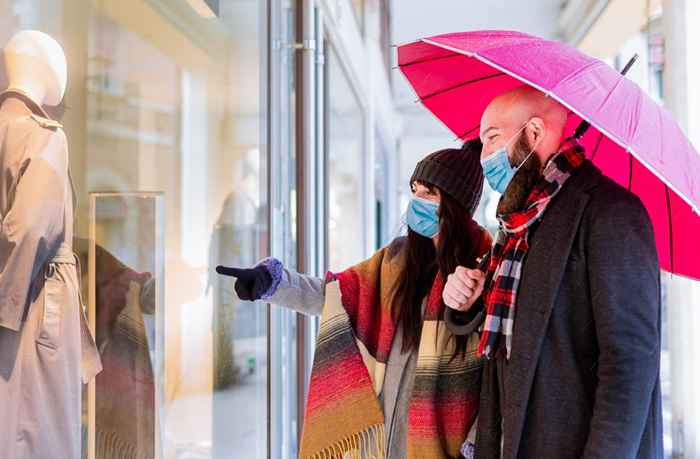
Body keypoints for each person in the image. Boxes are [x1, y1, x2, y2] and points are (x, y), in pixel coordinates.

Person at [217, 140, 491, 459]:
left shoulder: (484, 267)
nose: (416, 201)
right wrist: (274, 283)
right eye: (414, 189)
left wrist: (477, 444)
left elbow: (497, 373)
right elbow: (334, 295)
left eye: (428, 193)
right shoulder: (396, 260)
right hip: (379, 439)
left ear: (455, 203)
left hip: (443, 445)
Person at [443, 86, 662, 459]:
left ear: (534, 133)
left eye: (492, 138)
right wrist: (463, 300)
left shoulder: (611, 213)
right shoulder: (518, 224)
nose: (483, 157)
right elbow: (508, 334)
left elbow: (629, 361)